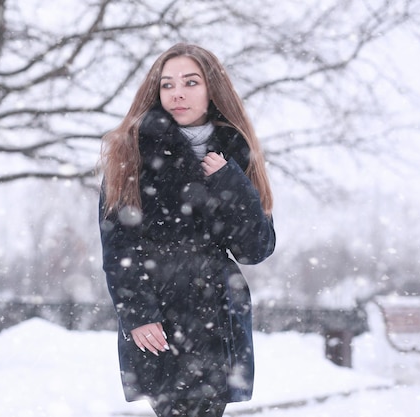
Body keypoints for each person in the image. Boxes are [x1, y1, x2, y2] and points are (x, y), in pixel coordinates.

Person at [98, 43, 276, 417]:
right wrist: (138, 313)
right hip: (159, 313)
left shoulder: (235, 151)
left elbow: (255, 248)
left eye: (190, 82)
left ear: (212, 89)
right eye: (167, 84)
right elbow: (118, 246)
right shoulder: (130, 151)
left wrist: (229, 183)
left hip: (218, 314)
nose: (177, 92)